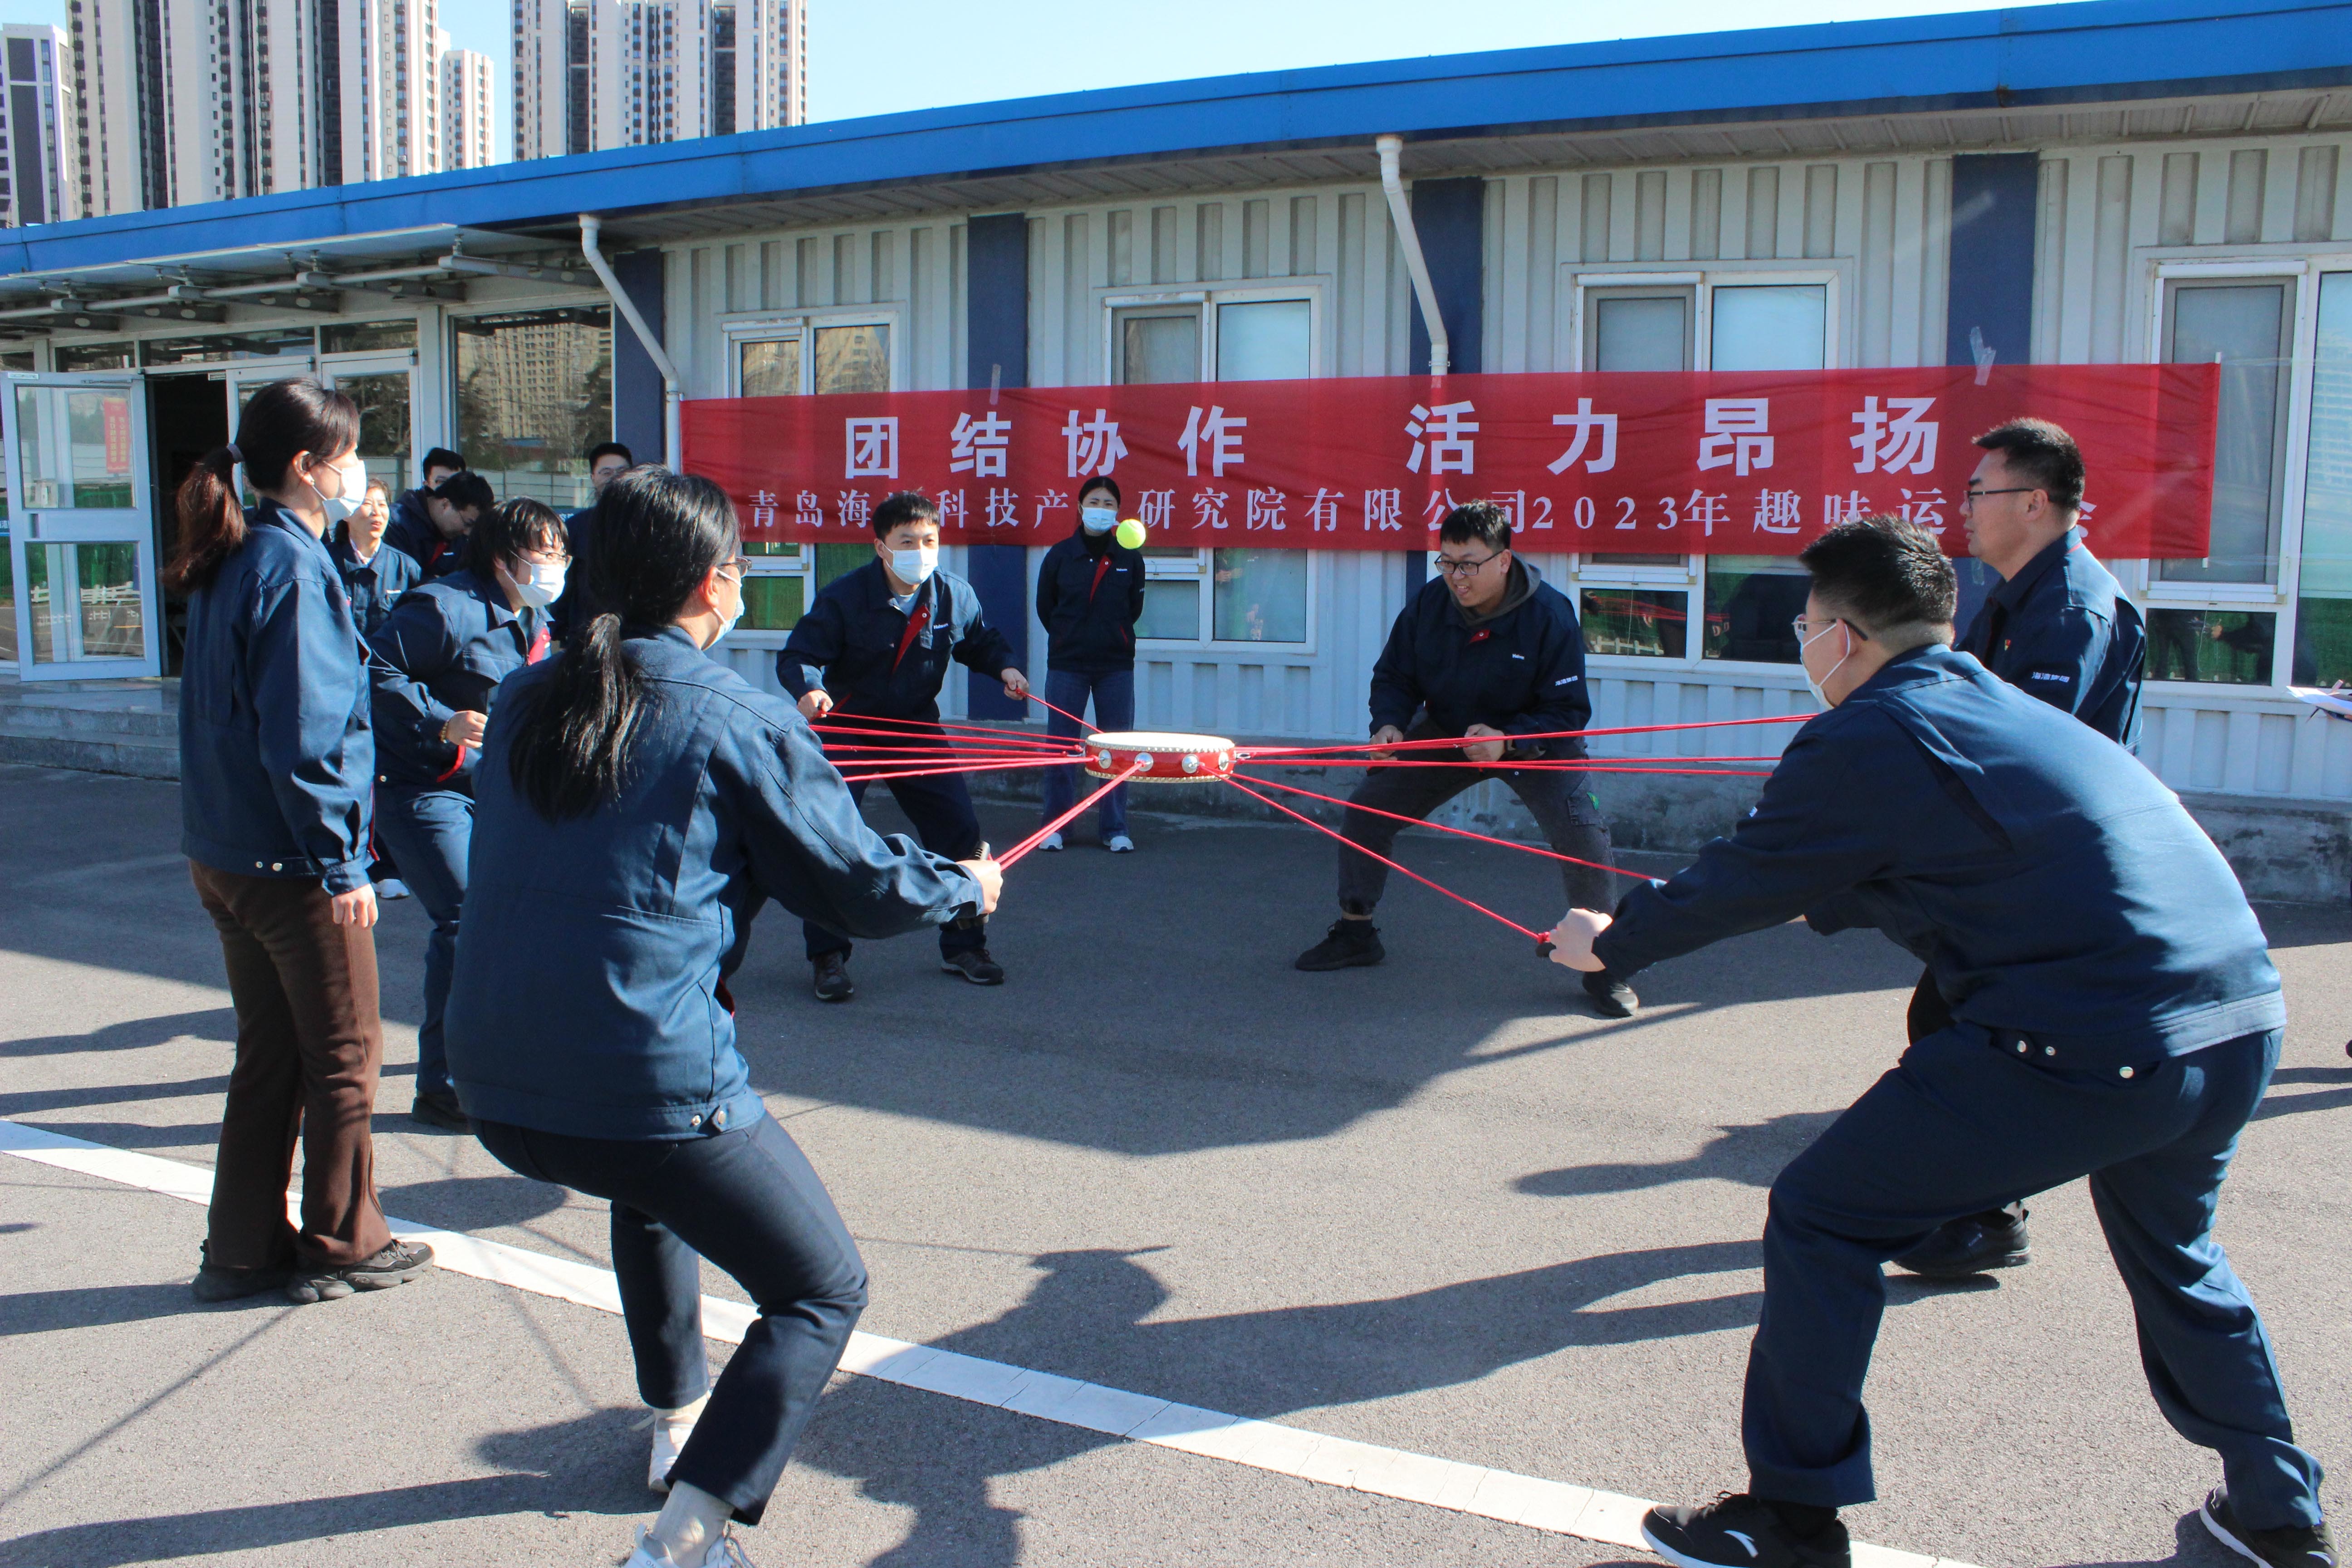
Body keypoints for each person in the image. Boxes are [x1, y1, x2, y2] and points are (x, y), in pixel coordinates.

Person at [1544, 515, 2328, 1568]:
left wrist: (1611, 942)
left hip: (2089, 1035)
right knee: (2178, 1260)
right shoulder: (1991, 705)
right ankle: (2277, 1516)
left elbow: (1745, 875)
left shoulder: (1869, 731)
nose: (1801, 646)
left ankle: (1788, 1519)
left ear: (1846, 635)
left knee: (1823, 1213)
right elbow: (1879, 872)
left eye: (1805, 625)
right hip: (2236, 1017)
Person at [444, 468, 1000, 1568]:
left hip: (493, 1084)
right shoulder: (729, 711)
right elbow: (853, 886)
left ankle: (672, 1427)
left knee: (647, 1193)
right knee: (820, 1286)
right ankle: (684, 1541)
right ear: (714, 580)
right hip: (641, 1076)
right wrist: (965, 887)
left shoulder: (526, 693)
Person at [170, 377, 435, 1307]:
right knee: (346, 1057)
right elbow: (309, 732)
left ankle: (239, 1250)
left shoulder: (237, 554)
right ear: (306, 467)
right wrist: (342, 862)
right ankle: (343, 1241)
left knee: (272, 1055)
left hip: (227, 852)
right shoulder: (286, 566)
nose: (360, 470)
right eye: (349, 453)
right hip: (291, 862)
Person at [1893, 417, 2152, 1278]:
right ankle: (1975, 1206)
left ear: (2034, 503)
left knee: (1969, 1026)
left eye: (1979, 492)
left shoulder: (2068, 611)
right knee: (1956, 1019)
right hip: (2012, 859)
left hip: (2046, 866)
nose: (1963, 509)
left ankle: (1984, 1214)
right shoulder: (2017, 593)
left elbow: (2020, 752)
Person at [1292, 500, 1634, 1018]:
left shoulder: (1550, 615)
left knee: (1583, 833)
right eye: (1447, 563)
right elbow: (1395, 677)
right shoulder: (1430, 605)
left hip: (1536, 742)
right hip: (1450, 733)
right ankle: (1357, 931)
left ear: (1504, 560)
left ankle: (1605, 963)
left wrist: (1508, 739)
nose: (1456, 577)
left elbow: (1568, 711)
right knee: (1366, 812)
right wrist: (1387, 724)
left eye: (1468, 564)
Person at [777, 490, 1029, 1000]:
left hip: (915, 727)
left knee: (959, 829)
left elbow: (981, 641)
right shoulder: (845, 597)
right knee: (830, 839)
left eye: (930, 540)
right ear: (881, 547)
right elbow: (800, 653)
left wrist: (1005, 669)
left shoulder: (953, 595)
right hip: (847, 725)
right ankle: (828, 956)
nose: (921, 549)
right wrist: (810, 688)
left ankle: (965, 946)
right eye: (908, 540)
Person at [368, 497, 568, 1132]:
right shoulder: (443, 606)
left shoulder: (532, 616)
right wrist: (442, 720)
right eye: (546, 553)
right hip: (422, 788)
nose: (557, 564)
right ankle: (442, 1087)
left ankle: (502, 1059)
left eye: (562, 552)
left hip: (496, 790)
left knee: (518, 921)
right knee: (465, 921)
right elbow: (374, 672)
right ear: (506, 558)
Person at [1032, 476, 1147, 852]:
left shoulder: (1130, 557)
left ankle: (1114, 829)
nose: (1101, 509)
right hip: (1068, 665)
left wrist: (1110, 635)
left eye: (1109, 503)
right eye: (1094, 502)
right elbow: (1046, 608)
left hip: (1116, 665)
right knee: (1061, 747)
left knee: (1116, 749)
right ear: (1080, 508)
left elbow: (1134, 609)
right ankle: (1057, 828)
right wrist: (1070, 638)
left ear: (1118, 512)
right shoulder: (1060, 555)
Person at [333, 476, 424, 904]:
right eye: (367, 505)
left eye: (383, 505)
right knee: (344, 778)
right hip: (339, 693)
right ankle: (346, 860)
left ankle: (388, 864)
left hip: (386, 695)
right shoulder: (327, 563)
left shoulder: (406, 569)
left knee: (384, 779)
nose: (376, 513)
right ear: (347, 512)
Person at [551, 440, 635, 637]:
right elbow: (567, 586)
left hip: (634, 635)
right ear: (593, 478)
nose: (615, 478)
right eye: (606, 472)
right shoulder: (575, 527)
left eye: (622, 471)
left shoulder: (647, 523)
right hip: (586, 636)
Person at [384, 467, 495, 580]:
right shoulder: (396, 524)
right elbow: (399, 580)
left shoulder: (458, 535)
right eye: (467, 523)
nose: (468, 533)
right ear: (445, 505)